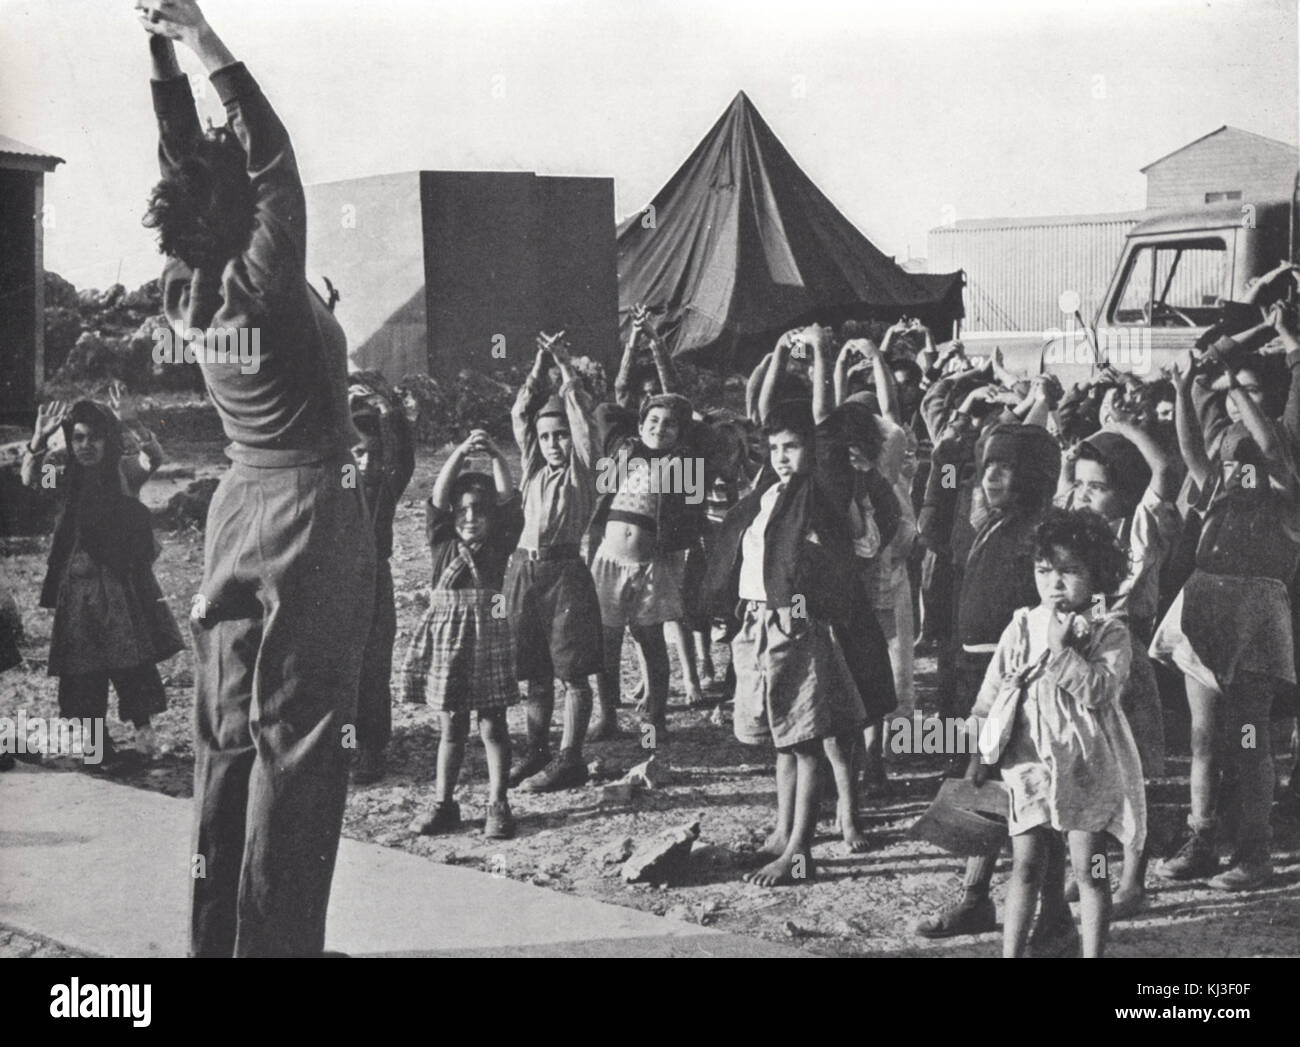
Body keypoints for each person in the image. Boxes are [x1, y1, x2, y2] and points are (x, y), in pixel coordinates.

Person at [142, 1, 375, 956]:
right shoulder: (266, 283)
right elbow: (272, 156)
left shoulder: (190, 290)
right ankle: (278, 946)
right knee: (302, 742)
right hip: (309, 510)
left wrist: (159, 56)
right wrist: (199, 36)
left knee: (228, 733)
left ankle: (217, 943)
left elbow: (189, 161)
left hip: (237, 508)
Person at [704, 324, 867, 885]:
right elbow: (761, 410)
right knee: (781, 738)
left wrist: (821, 357)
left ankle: (801, 848)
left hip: (793, 623)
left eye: (791, 447)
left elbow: (822, 422)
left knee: (803, 741)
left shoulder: (819, 489)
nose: (780, 456)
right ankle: (781, 831)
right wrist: (776, 355)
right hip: (755, 622)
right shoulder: (767, 490)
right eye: (774, 448)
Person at [1150, 336, 1300, 891]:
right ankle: (1203, 836)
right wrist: (1185, 387)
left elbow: (1275, 448)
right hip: (1205, 600)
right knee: (1203, 737)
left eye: (1253, 395)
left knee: (1248, 736)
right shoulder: (1222, 478)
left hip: (1255, 611)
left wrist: (1235, 382)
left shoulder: (1285, 482)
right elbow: (1193, 448)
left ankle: (1254, 849)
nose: (1237, 410)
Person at [969, 508, 1145, 958]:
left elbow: (1101, 691)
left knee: (1091, 868)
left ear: (1098, 575)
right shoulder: (1021, 625)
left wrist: (1062, 650)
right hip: (1026, 761)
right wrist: (976, 749)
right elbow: (991, 694)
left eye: (1070, 571)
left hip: (1086, 765)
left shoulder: (1109, 632)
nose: (1055, 583)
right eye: (1044, 571)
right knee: (1025, 865)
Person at [914, 418, 1061, 940]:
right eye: (987, 467)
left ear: (1037, 476)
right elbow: (934, 533)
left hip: (1024, 687)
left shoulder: (1044, 534)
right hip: (977, 676)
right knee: (983, 787)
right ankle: (976, 899)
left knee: (1035, 797)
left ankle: (1056, 916)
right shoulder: (990, 523)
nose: (992, 477)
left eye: (1008, 467)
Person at [1057, 395, 1179, 916]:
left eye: (1098, 487)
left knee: (1131, 782)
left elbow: (1165, 468)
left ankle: (1134, 881)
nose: (1084, 494)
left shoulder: (1139, 529)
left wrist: (1126, 427)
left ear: (1125, 494)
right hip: (1080, 661)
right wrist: (1080, 453)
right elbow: (1065, 481)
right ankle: (1094, 873)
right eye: (1081, 484)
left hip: (1125, 664)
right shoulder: (1074, 527)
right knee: (1087, 774)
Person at [22, 399, 184, 763]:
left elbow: (152, 461)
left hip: (120, 587)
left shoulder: (124, 471)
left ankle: (144, 735)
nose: (85, 446)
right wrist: (38, 439)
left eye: (95, 438)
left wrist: (136, 426)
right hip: (78, 590)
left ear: (108, 441)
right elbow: (31, 479)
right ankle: (97, 743)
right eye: (78, 438)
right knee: (82, 667)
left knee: (132, 659)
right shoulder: (64, 480)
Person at [403, 431, 523, 839]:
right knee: (452, 727)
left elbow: (508, 499)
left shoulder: (500, 543)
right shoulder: (441, 542)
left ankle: (498, 803)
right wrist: (458, 452)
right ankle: (444, 804)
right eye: (463, 511)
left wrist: (494, 455)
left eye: (480, 511)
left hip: (487, 637)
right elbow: (438, 496)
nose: (471, 518)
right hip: (448, 641)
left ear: (493, 517)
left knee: (493, 726)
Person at [503, 334, 605, 791]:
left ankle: (570, 758)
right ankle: (536, 750)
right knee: (535, 672)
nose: (552, 443)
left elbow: (585, 423)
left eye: (559, 435)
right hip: (525, 572)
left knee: (572, 670)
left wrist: (565, 372)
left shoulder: (584, 470)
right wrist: (538, 362)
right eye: (546, 437)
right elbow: (521, 414)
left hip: (566, 575)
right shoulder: (532, 470)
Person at [348, 371, 415, 783]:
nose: (366, 462)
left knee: (373, 666)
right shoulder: (329, 489)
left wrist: (389, 411)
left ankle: (372, 749)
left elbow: (401, 460)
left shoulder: (383, 491)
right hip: (332, 585)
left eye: (373, 454)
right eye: (358, 454)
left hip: (374, 581)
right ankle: (343, 744)